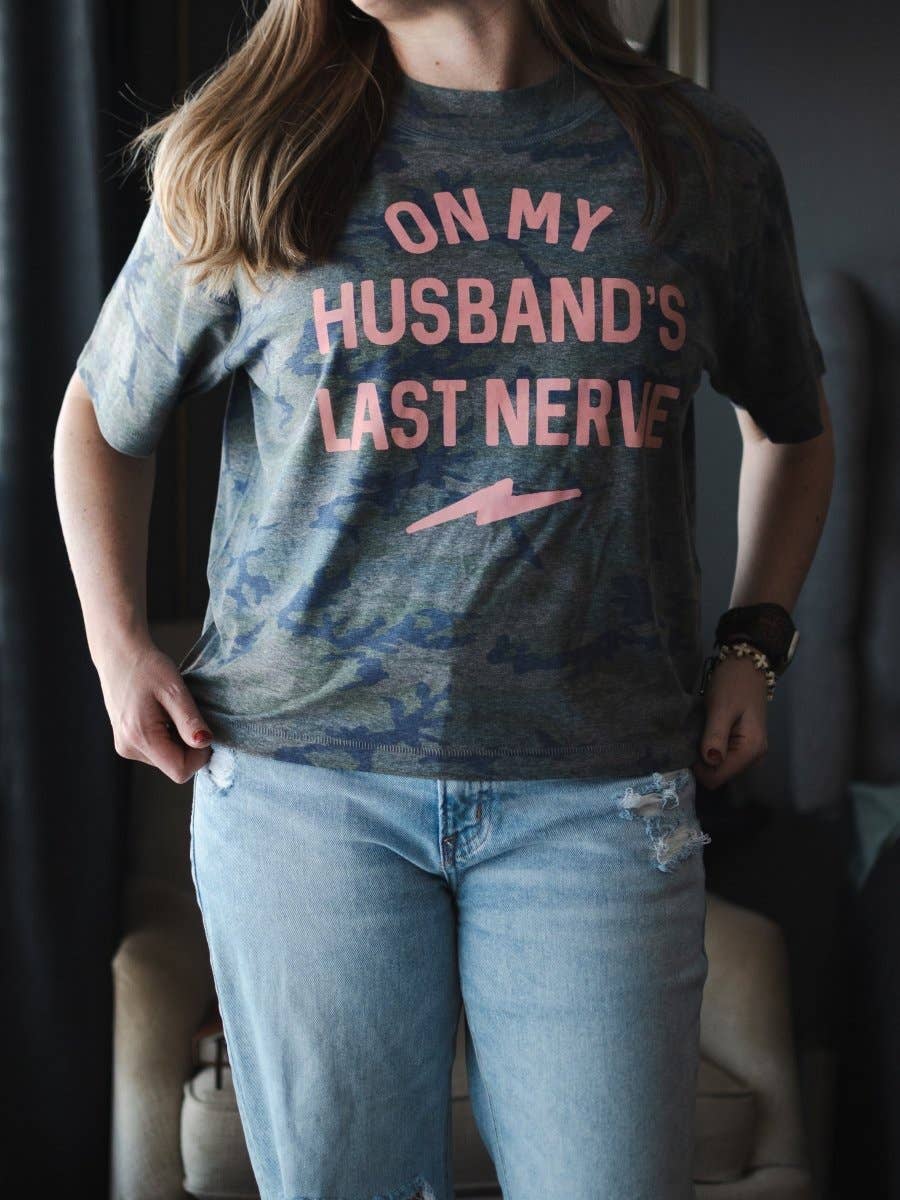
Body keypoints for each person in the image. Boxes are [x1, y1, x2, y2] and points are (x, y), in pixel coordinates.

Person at [53, 1, 835, 1197]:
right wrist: (116, 648)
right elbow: (101, 419)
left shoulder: (695, 158)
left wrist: (754, 642)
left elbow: (794, 427)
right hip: (304, 791)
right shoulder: (252, 144)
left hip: (596, 794)